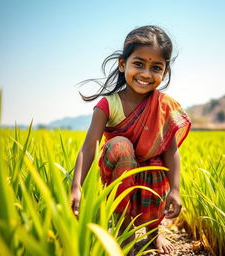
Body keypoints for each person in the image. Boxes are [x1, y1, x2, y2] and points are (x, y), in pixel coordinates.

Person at [70, 25, 191, 255]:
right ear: (123, 64)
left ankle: (154, 232)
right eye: (139, 64)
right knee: (122, 146)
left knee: (155, 160)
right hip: (119, 167)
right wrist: (76, 186)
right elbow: (88, 147)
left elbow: (171, 151)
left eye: (156, 67)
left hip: (150, 173)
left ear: (164, 72)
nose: (146, 74)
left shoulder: (165, 106)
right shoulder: (108, 105)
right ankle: (123, 230)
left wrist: (175, 189)